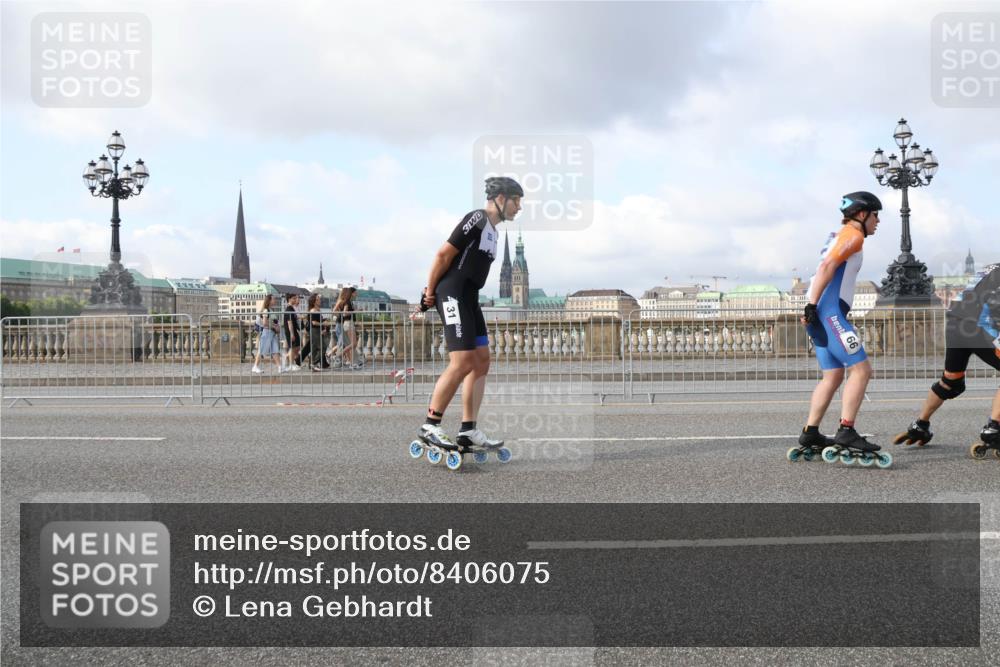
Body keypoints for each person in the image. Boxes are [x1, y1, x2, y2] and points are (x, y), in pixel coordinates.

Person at [414, 176, 522, 454]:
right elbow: (443, 255)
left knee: (481, 361)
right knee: (462, 361)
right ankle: (431, 424)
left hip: (470, 297)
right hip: (453, 293)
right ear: (501, 199)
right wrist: (430, 291)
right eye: (517, 201)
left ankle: (468, 429)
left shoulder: (494, 232)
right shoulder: (476, 218)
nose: (519, 208)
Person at [793, 191, 887, 465]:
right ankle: (846, 430)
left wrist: (810, 311)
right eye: (875, 215)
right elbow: (825, 267)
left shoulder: (837, 235)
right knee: (862, 370)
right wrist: (811, 306)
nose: (878, 221)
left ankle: (810, 433)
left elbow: (821, 271)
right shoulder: (853, 236)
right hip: (831, 314)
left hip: (821, 316)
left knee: (832, 376)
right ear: (862, 214)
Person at [893, 263, 1000, 458]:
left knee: (951, 381)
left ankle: (920, 425)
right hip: (979, 326)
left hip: (955, 322)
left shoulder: (991, 268)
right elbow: (994, 306)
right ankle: (994, 428)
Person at [333, 286, 362, 370]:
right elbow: (345, 313)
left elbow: (340, 312)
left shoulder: (347, 301)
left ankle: (352, 363)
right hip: (348, 323)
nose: (356, 294)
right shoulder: (348, 302)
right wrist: (355, 311)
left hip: (347, 323)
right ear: (352, 293)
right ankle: (339, 355)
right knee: (353, 344)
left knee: (351, 344)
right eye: (355, 293)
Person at [252, 294, 282, 374]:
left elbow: (273, 322)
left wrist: (277, 327)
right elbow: (265, 323)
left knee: (275, 350)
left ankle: (280, 367)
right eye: (273, 299)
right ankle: (255, 366)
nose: (275, 300)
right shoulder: (266, 310)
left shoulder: (271, 310)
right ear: (269, 301)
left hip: (272, 333)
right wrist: (274, 327)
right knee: (261, 350)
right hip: (267, 332)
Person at [303, 293, 330, 372]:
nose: (320, 301)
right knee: (323, 347)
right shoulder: (313, 311)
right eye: (318, 299)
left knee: (315, 348)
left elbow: (317, 321)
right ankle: (313, 363)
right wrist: (323, 324)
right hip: (314, 330)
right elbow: (314, 322)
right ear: (314, 301)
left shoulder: (317, 310)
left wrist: (323, 325)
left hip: (317, 330)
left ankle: (313, 365)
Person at [283, 293, 302, 371]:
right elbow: (289, 322)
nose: (295, 300)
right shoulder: (289, 309)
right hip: (291, 331)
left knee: (297, 347)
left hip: (293, 330)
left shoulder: (291, 308)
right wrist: (292, 333)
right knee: (293, 347)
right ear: (289, 299)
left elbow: (295, 318)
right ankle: (291, 364)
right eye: (294, 298)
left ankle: (286, 357)